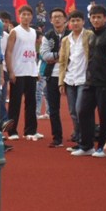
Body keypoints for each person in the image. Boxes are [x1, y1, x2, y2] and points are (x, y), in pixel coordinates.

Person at [72, 5, 106, 157]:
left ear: (105, 18)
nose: (96, 20)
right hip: (90, 81)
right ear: (90, 19)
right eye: (93, 17)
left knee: (104, 115)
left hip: (105, 82)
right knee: (83, 111)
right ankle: (86, 146)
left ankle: (102, 147)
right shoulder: (91, 35)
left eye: (99, 17)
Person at [58, 10, 93, 148]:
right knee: (73, 112)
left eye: (78, 20)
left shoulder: (89, 35)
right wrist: (61, 81)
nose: (75, 23)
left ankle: (85, 140)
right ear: (69, 23)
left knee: (81, 110)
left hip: (84, 79)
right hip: (70, 78)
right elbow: (62, 62)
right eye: (73, 20)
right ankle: (79, 138)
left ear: (83, 21)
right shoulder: (66, 40)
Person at [5, 5, 40, 141]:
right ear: (19, 16)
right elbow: (9, 51)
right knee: (15, 103)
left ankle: (30, 130)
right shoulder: (15, 31)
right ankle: (12, 131)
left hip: (30, 71)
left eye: (28, 14)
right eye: (23, 14)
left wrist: (36, 69)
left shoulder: (33, 32)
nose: (26, 17)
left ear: (32, 16)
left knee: (32, 102)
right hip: (18, 71)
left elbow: (33, 52)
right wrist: (11, 71)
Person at [40, 8, 69, 147]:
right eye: (54, 17)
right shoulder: (48, 36)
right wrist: (61, 55)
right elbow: (45, 56)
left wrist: (56, 57)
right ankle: (57, 137)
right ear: (50, 20)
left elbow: (75, 55)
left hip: (71, 75)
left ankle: (80, 135)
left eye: (60, 16)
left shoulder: (72, 34)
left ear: (65, 19)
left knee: (77, 108)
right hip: (52, 76)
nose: (57, 19)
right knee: (53, 109)